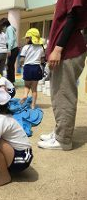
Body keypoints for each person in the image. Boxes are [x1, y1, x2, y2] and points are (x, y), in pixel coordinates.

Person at [38, 0, 87, 150]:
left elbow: (73, 17)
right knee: (59, 95)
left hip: (68, 50)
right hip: (67, 49)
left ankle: (63, 139)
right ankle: (60, 132)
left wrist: (58, 49)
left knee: (64, 95)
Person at [19, 28, 45, 109]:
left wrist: (21, 64)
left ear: (30, 38)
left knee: (27, 86)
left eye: (27, 38)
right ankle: (33, 105)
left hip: (27, 67)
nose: (26, 39)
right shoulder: (41, 48)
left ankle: (25, 95)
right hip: (37, 68)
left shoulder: (25, 47)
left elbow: (22, 59)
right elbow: (42, 59)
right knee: (34, 89)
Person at [0, 18, 19, 83]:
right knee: (10, 65)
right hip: (12, 48)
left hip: (12, 49)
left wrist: (9, 49)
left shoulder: (9, 28)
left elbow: (11, 39)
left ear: (5, 24)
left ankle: (11, 81)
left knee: (10, 65)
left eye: (2, 25)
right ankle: (11, 80)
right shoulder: (9, 29)